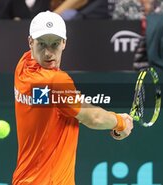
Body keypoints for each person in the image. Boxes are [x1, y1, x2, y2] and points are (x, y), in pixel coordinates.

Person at [12, 11, 133, 185]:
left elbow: (58, 103)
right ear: (30, 42)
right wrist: (120, 122)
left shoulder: (22, 66)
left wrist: (72, 101)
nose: (48, 53)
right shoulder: (56, 81)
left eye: (54, 44)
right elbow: (93, 118)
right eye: (42, 44)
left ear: (64, 43)